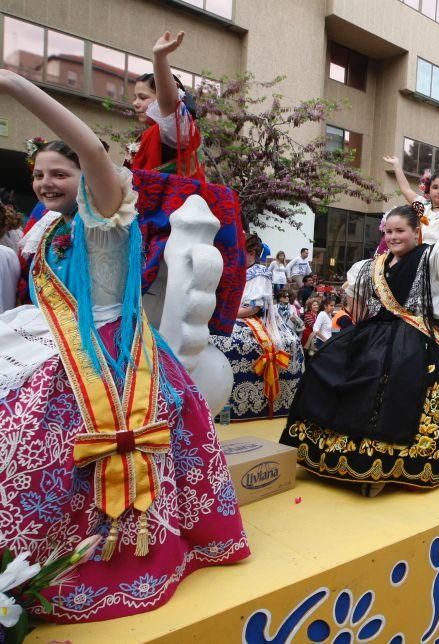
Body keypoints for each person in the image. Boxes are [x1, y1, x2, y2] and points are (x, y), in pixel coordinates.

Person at [0, 69, 248, 622]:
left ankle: (100, 553)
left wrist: (15, 85)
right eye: (39, 174)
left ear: (87, 175)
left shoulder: (105, 210)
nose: (46, 184)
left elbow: (90, 146)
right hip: (51, 338)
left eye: (59, 173)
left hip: (111, 350)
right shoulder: (50, 229)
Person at [280, 178, 439, 496]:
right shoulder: (376, 264)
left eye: (399, 231)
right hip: (380, 330)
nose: (392, 237)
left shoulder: (433, 257)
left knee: (396, 376)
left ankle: (384, 466)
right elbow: (362, 304)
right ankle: (324, 450)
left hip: (422, 337)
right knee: (329, 361)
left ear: (416, 231)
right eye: (388, 232)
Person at [212, 234, 305, 420]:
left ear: (252, 252)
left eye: (241, 252)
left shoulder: (260, 273)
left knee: (230, 341)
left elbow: (253, 307)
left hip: (254, 319)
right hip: (229, 314)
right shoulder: (234, 270)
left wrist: (225, 314)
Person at [127, 31, 205, 180]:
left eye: (143, 97)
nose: (135, 103)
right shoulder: (147, 136)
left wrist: (159, 58)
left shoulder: (177, 131)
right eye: (135, 97)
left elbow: (168, 105)